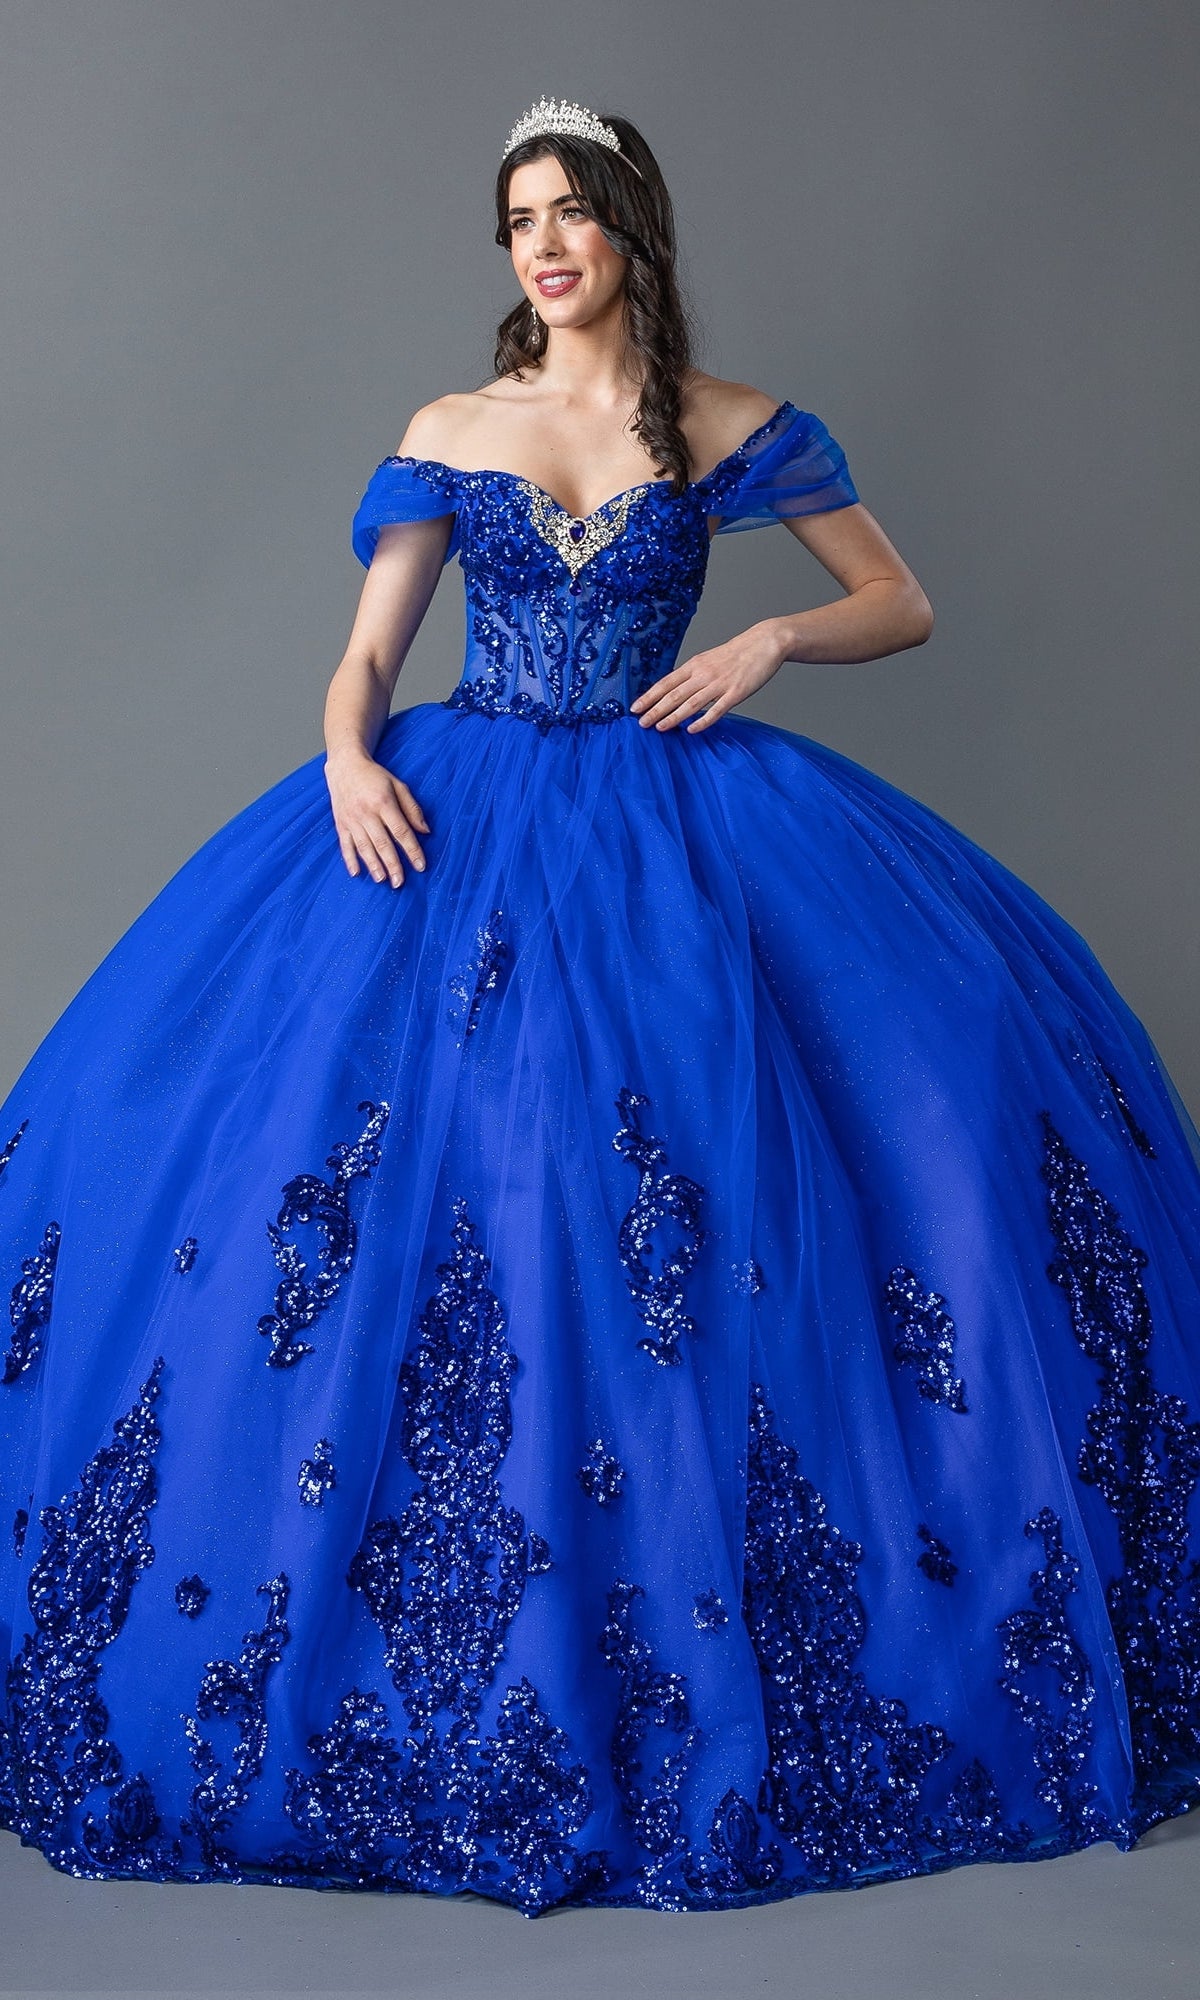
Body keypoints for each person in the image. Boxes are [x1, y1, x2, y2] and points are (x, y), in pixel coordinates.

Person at [1, 97, 1199, 1920]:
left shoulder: (728, 429)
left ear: (634, 229)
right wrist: (340, 764)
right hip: (453, 814)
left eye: (572, 213)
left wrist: (770, 639)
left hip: (673, 829)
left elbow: (901, 599)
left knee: (788, 1164)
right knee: (339, 1170)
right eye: (518, 222)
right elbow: (370, 652)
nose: (544, 246)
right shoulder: (453, 430)